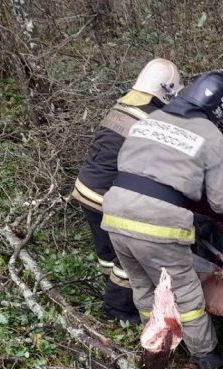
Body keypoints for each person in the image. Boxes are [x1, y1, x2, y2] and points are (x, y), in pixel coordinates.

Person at [101, 72, 223, 369]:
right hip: (157, 222)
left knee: (141, 283)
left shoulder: (148, 120)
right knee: (185, 291)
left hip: (114, 211)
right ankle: (206, 356)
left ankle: (156, 338)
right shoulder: (209, 135)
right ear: (218, 110)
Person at [73, 58, 182, 324]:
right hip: (108, 196)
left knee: (107, 250)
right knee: (128, 257)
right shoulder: (154, 118)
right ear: (166, 90)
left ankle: (111, 288)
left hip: (85, 189)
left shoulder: (123, 106)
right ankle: (117, 308)